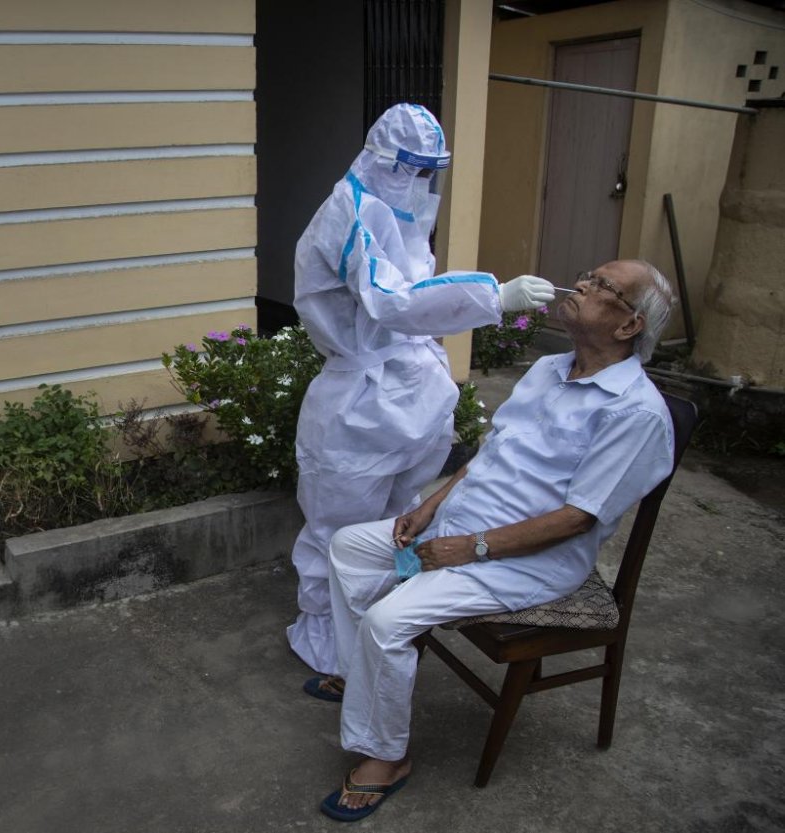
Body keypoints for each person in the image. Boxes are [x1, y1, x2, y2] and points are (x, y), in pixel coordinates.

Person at [317, 259, 676, 822]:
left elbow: (578, 519)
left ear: (630, 325)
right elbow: (492, 455)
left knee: (387, 622)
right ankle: (360, 677)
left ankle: (386, 758)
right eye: (588, 275)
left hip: (526, 562)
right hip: (461, 526)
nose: (582, 284)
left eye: (604, 286)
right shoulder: (549, 369)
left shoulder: (635, 412)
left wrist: (471, 548)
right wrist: (428, 507)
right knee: (348, 547)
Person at [288, 103, 555, 686]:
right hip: (359, 403)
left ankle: (380, 628)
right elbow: (393, 302)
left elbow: (410, 291)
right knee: (338, 533)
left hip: (405, 396)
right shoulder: (352, 213)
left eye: (428, 170)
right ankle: (330, 648)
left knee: (398, 524)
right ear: (383, 159)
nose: (420, 183)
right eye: (411, 168)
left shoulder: (393, 210)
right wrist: (494, 296)